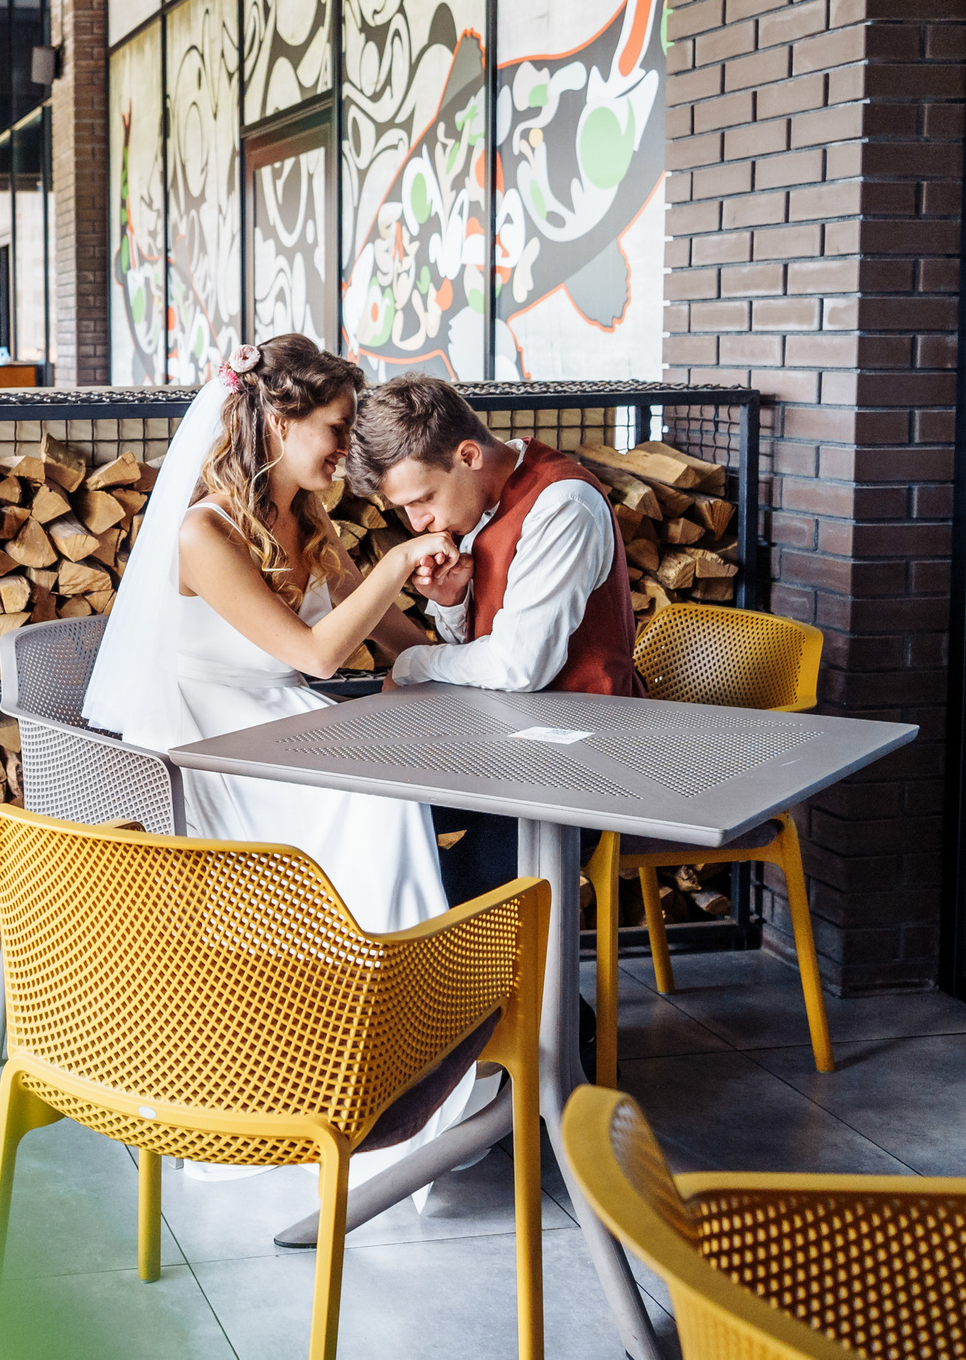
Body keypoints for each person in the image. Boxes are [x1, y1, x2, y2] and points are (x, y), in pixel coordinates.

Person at [84, 337, 502, 1188]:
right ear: (279, 418)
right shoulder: (204, 531)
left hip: (279, 724)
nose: (347, 448)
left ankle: (404, 1042)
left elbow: (397, 639)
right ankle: (369, 1064)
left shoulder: (309, 523)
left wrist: (448, 606)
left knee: (396, 790)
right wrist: (392, 561)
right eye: (337, 427)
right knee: (378, 803)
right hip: (206, 744)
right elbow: (315, 654)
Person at [345, 374, 643, 908]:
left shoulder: (562, 506)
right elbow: (489, 642)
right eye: (405, 511)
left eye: (423, 499)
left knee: (447, 899)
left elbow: (519, 666)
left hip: (585, 761)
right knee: (376, 829)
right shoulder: (481, 504)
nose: (419, 522)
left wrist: (414, 662)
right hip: (500, 746)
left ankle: (515, 988)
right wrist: (456, 601)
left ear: (467, 454)